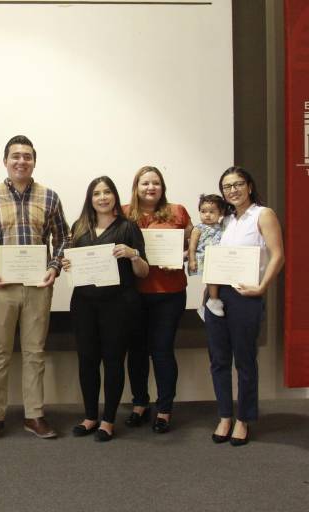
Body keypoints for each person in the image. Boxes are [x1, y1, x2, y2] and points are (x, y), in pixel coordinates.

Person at [0, 135, 68, 441]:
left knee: (34, 353)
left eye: (27, 156)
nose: (21, 161)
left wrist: (54, 268)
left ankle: (34, 415)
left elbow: (63, 238)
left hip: (38, 287)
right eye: (15, 156)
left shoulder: (49, 197)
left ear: (34, 161)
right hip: (1, 287)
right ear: (5, 161)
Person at [62, 176, 148, 442]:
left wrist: (133, 254)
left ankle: (108, 420)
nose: (102, 197)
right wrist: (68, 266)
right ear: (90, 198)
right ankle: (90, 417)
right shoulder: (79, 227)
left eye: (107, 192)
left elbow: (143, 271)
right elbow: (72, 263)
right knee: (87, 360)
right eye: (96, 193)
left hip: (118, 305)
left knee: (113, 361)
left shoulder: (128, 227)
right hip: (84, 304)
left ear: (114, 196)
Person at [206, 166, 283, 446]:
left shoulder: (263, 214)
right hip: (216, 295)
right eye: (227, 186)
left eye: (238, 184)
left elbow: (278, 255)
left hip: (246, 295)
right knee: (218, 360)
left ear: (249, 186)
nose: (232, 190)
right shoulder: (223, 220)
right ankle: (225, 415)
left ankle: (244, 419)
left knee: (245, 360)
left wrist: (262, 287)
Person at [123, 166, 193, 434]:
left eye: (156, 183)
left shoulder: (177, 211)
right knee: (137, 352)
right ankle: (140, 404)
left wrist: (185, 256)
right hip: (134, 294)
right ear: (136, 186)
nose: (150, 188)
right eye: (145, 183)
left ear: (162, 187)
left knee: (162, 351)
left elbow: (196, 238)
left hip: (169, 294)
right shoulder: (124, 212)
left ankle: (164, 409)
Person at [188, 193, 226, 317]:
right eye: (203, 211)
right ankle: (213, 301)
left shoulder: (221, 227)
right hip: (205, 258)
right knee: (212, 280)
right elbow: (192, 247)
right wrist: (192, 260)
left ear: (220, 213)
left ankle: (204, 305)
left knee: (212, 283)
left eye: (211, 212)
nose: (207, 215)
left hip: (217, 258)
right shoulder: (198, 228)